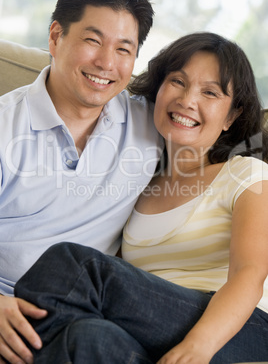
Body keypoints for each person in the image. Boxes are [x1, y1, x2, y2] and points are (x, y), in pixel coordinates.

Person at [15, 32, 268, 364]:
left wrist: (197, 347)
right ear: (159, 89)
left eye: (209, 92)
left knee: (80, 268)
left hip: (238, 332)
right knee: (88, 338)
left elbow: (250, 273)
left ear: (231, 117)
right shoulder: (138, 181)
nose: (188, 100)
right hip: (149, 337)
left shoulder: (246, 174)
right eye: (177, 82)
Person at [0, 0, 163, 364]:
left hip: (92, 314)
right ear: (56, 37)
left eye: (124, 49)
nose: (106, 63)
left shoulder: (152, 123)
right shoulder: (5, 127)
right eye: (93, 40)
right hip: (12, 318)